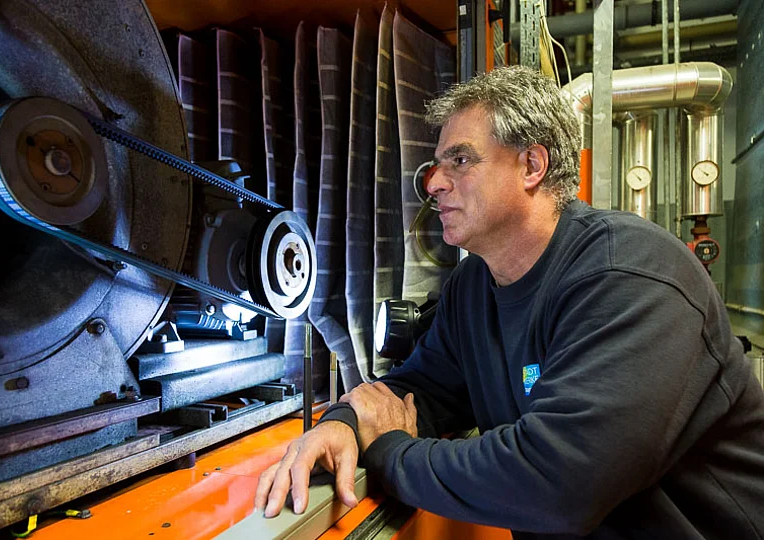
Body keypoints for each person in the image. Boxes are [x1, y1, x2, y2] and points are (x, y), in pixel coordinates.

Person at [254, 66, 764, 538]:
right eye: (435, 166)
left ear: (532, 165)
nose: (433, 183)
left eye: (460, 160)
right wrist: (344, 424)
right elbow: (421, 390)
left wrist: (391, 452)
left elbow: (561, 483)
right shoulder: (473, 287)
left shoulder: (629, 274)